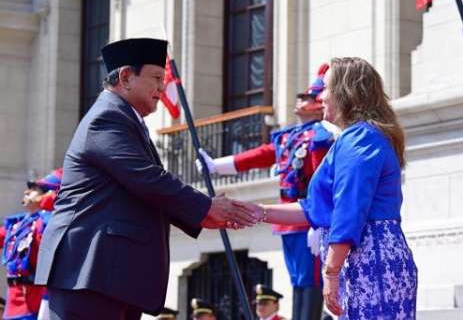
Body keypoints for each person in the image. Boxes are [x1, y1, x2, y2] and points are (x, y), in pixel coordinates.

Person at [34, 38, 258, 320]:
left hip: (110, 276)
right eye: (155, 78)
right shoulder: (107, 118)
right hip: (89, 270)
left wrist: (204, 213)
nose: (162, 88)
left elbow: (146, 190)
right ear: (126, 77)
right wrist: (205, 208)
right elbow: (146, 178)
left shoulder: (125, 119)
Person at [247, 57, 418, 319]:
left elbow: (349, 210)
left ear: (345, 92)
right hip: (365, 260)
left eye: (326, 88)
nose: (321, 97)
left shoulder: (360, 138)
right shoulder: (357, 138)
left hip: (371, 261)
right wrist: (255, 212)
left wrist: (331, 272)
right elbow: (315, 209)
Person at [198, 65, 337, 320]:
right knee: (298, 282)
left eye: (308, 97)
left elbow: (321, 184)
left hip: (306, 220)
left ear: (319, 104)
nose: (300, 100)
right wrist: (216, 166)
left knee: (311, 283)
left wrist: (318, 223)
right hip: (287, 223)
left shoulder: (321, 136)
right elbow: (259, 156)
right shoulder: (289, 137)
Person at [0, 168, 61, 320]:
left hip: (37, 302)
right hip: (14, 302)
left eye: (35, 189)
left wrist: (50, 202)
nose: (27, 192)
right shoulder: (18, 223)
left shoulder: (51, 221)